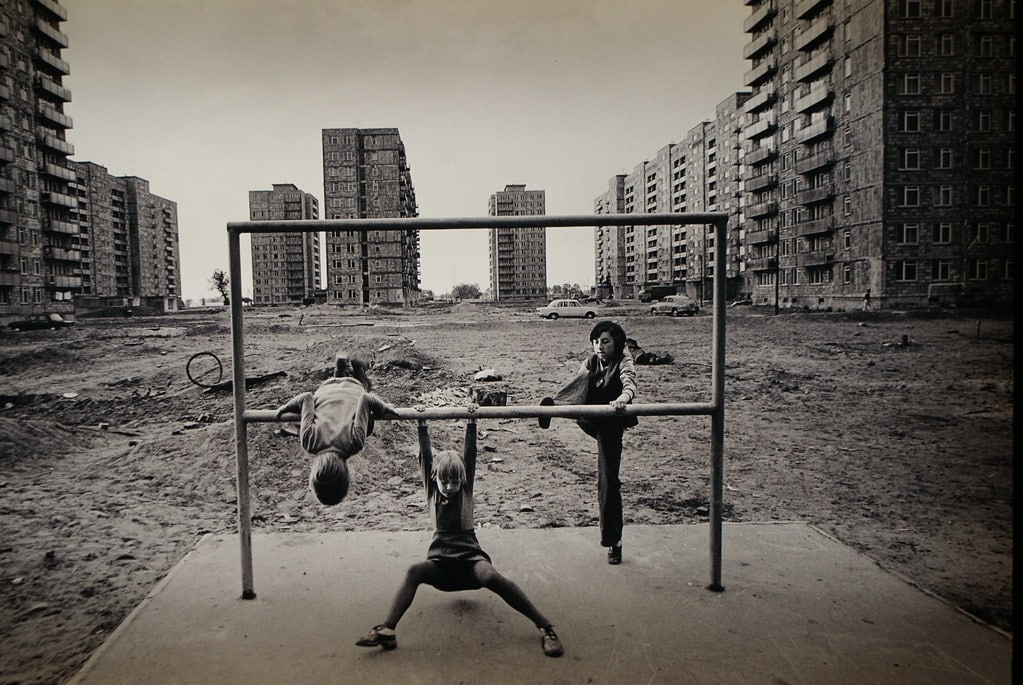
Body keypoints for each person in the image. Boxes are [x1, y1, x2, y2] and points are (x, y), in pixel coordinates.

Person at [356, 414, 564, 657]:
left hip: (470, 565)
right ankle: (388, 630)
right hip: (441, 567)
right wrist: (422, 423)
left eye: (455, 481)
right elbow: (425, 457)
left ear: (462, 480)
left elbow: (470, 454)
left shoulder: (465, 492)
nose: (449, 486)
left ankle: (545, 626)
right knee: (414, 571)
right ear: (435, 479)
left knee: (491, 576)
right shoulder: (432, 494)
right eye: (444, 481)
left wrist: (472, 420)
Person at [539, 320, 637, 565]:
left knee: (608, 482)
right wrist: (562, 402)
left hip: (610, 422)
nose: (600, 347)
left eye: (605, 342)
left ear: (617, 343)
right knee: (581, 382)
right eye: (596, 342)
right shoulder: (591, 361)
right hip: (588, 414)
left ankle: (614, 542)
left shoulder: (624, 361)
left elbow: (630, 383)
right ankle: (552, 408)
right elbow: (577, 388)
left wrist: (623, 400)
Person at [275, 351, 398, 505]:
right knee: (335, 398)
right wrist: (285, 408)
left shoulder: (354, 444)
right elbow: (306, 397)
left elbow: (366, 399)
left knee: (366, 392)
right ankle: (340, 372)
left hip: (354, 388)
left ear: (346, 474)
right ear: (314, 472)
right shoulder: (308, 442)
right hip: (326, 389)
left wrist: (383, 409)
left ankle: (354, 371)